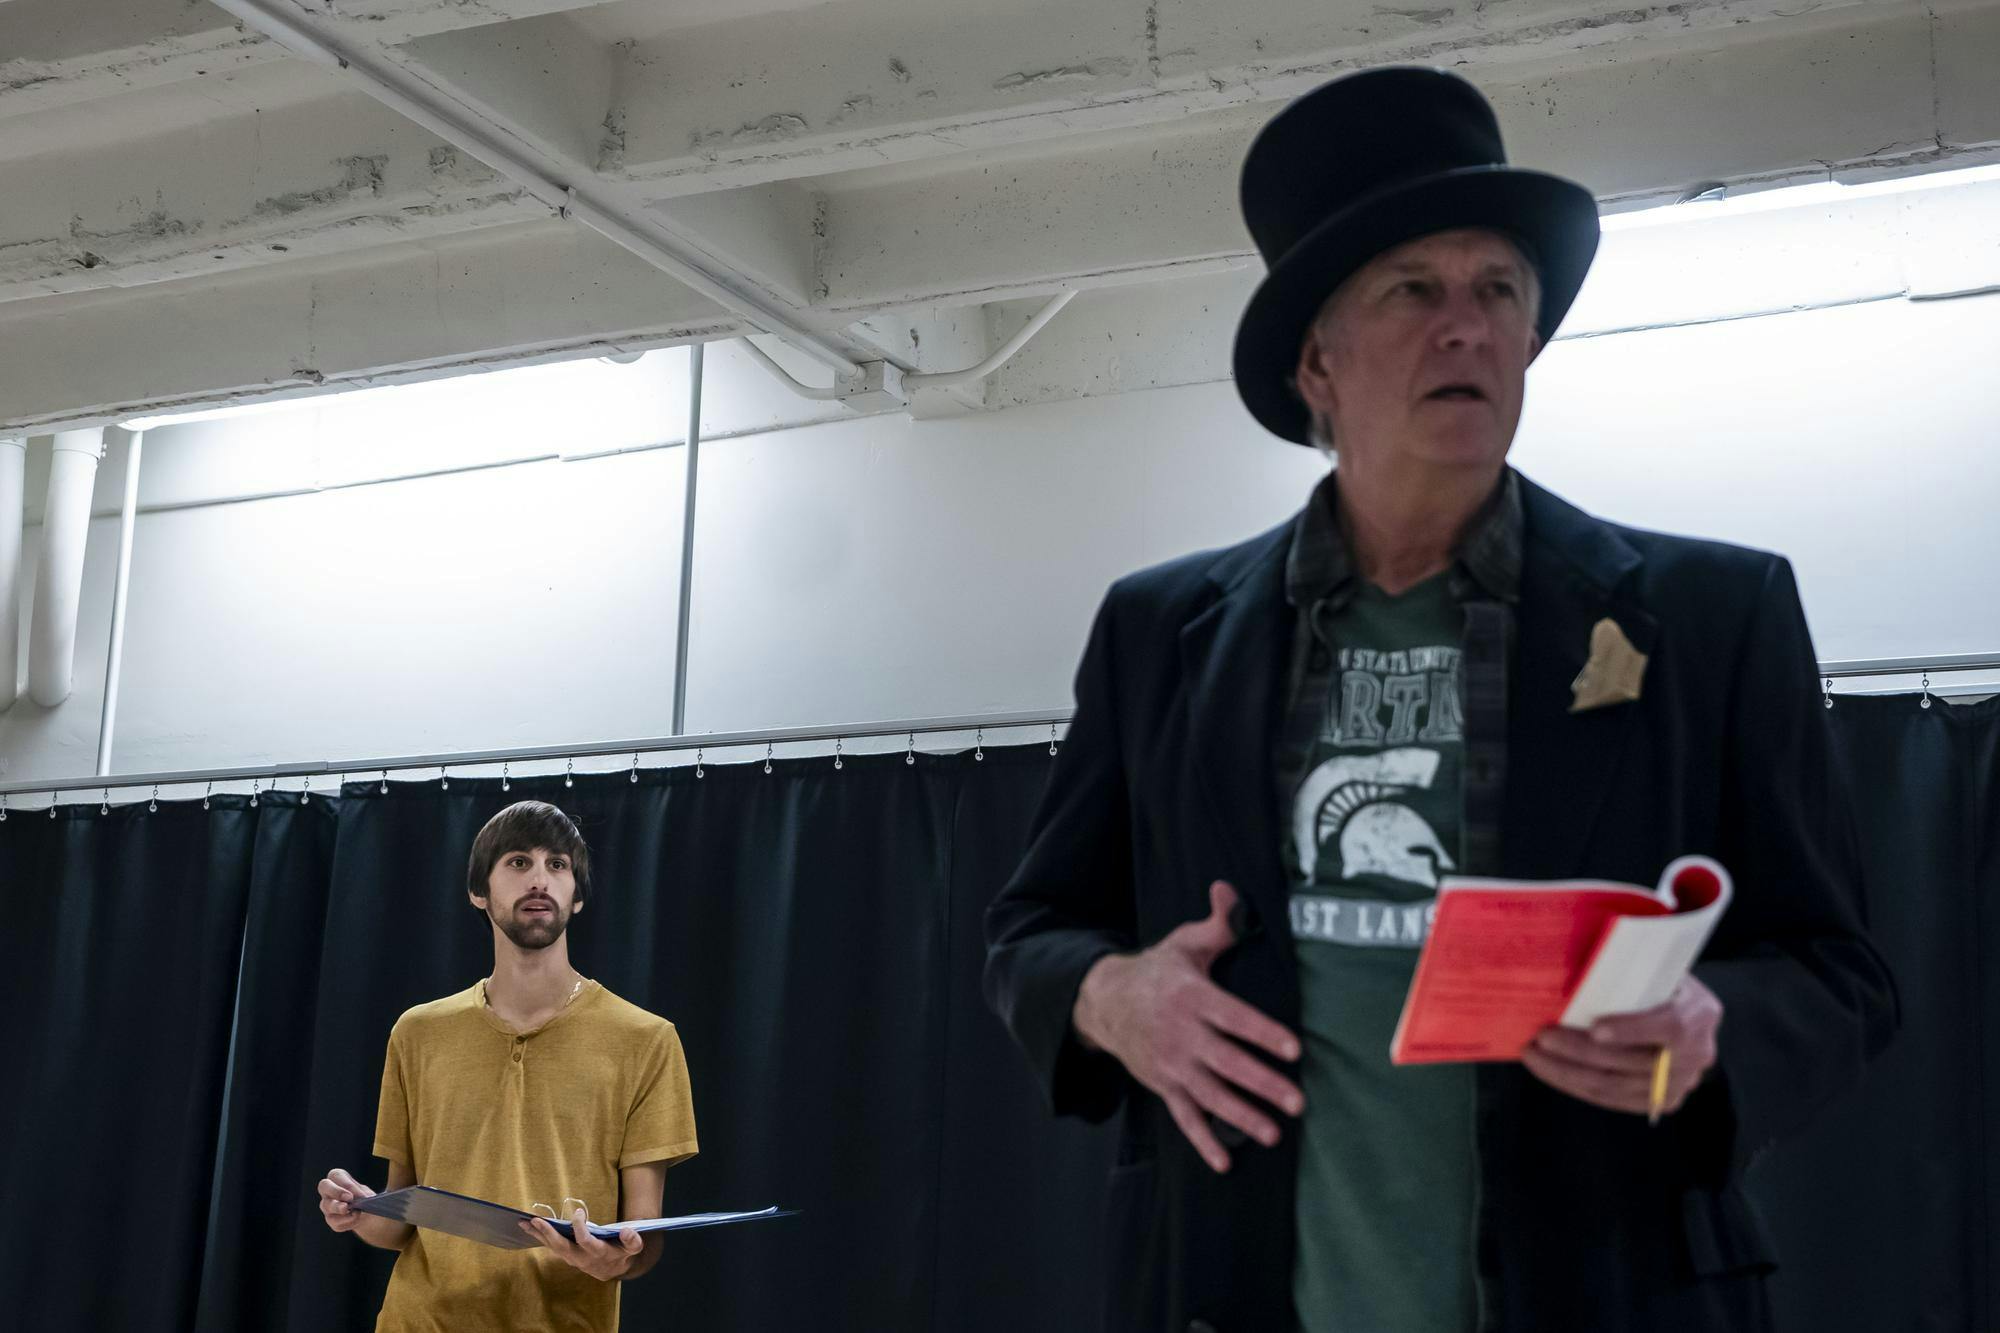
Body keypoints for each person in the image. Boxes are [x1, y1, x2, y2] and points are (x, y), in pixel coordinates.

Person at [983, 66, 1897, 1333]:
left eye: (1497, 290)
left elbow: (1840, 970)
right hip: (1241, 1291)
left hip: (1610, 1288)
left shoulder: (1705, 617)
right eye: (1413, 289)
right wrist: (1107, 997)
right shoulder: (1162, 633)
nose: (1464, 325)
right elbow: (1030, 926)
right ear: (1315, 359)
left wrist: (1711, 1022)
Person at [317, 800, 698, 1333]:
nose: (539, 879)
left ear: (577, 895)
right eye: (519, 862)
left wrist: (619, 1260)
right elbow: (402, 1223)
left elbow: (644, 1234)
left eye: (557, 865)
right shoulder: (418, 1032)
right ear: (479, 891)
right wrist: (359, 1211)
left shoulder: (646, 1040)